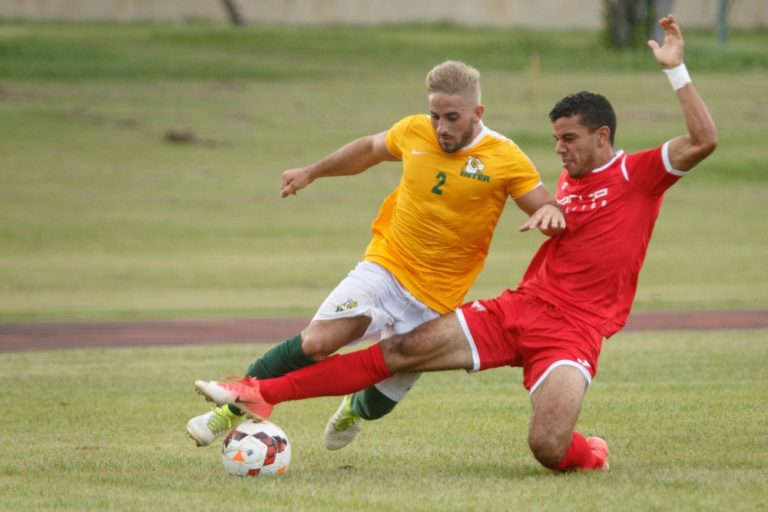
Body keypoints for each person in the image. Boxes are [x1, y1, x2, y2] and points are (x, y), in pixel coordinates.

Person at [193, 15, 717, 471]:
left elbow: (702, 141)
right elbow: (375, 150)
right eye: (555, 139)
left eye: (568, 139)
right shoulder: (561, 177)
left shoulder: (633, 173)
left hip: (559, 328)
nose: (558, 149)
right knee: (364, 347)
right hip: (494, 298)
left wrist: (675, 68)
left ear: (602, 136)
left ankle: (591, 452)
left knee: (547, 446)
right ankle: (254, 394)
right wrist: (311, 171)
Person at [186, 60, 565, 448]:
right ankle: (228, 410)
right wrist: (313, 171)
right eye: (435, 115)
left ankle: (355, 407)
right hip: (386, 266)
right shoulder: (414, 130)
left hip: (437, 298)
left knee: (379, 402)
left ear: (477, 113)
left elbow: (541, 203)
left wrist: (549, 210)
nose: (441, 127)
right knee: (317, 341)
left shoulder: (504, 157)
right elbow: (369, 149)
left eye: (452, 117)